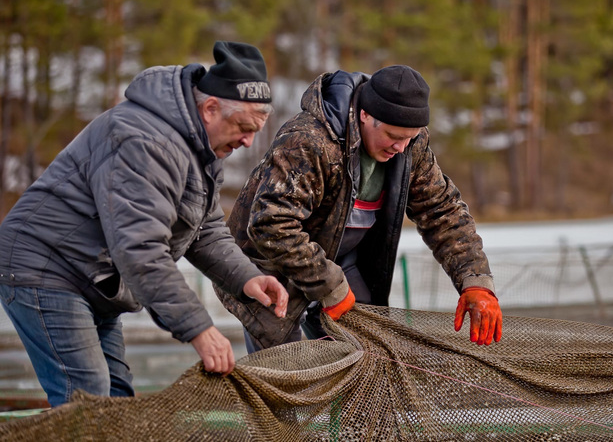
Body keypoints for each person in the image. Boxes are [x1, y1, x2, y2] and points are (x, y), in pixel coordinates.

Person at [0, 41, 289, 407]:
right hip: (46, 266)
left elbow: (205, 228)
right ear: (211, 109)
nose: (248, 142)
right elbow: (139, 247)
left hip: (95, 278)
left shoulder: (204, 145)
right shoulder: (143, 140)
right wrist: (199, 328)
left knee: (119, 397)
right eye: (243, 127)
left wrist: (248, 278)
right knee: (88, 395)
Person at [214, 65, 502, 352]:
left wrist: (474, 280)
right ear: (365, 115)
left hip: (342, 257)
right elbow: (271, 224)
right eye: (392, 136)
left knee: (371, 350)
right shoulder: (308, 140)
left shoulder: (410, 144)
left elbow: (442, 210)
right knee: (285, 371)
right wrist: (328, 285)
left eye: (409, 138)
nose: (400, 148)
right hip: (267, 267)